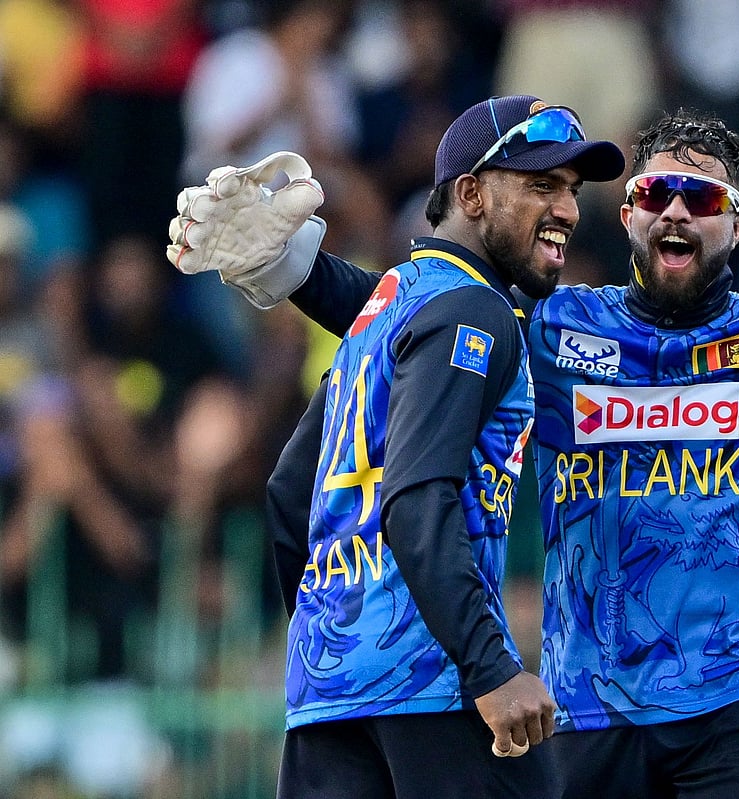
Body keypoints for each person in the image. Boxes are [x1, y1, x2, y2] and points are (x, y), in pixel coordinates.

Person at [169, 95, 739, 797]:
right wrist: (296, 268)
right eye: (655, 191)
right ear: (627, 213)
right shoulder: (557, 327)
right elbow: (423, 319)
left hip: (737, 703)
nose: (675, 211)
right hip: (588, 706)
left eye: (702, 198)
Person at [167, 95, 626, 797]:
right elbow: (415, 498)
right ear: (470, 194)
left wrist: (335, 638)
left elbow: (290, 492)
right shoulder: (475, 311)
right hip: (437, 688)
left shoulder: (385, 314)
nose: (566, 208)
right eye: (542, 185)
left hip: (329, 697)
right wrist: (490, 667)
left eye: (570, 189)